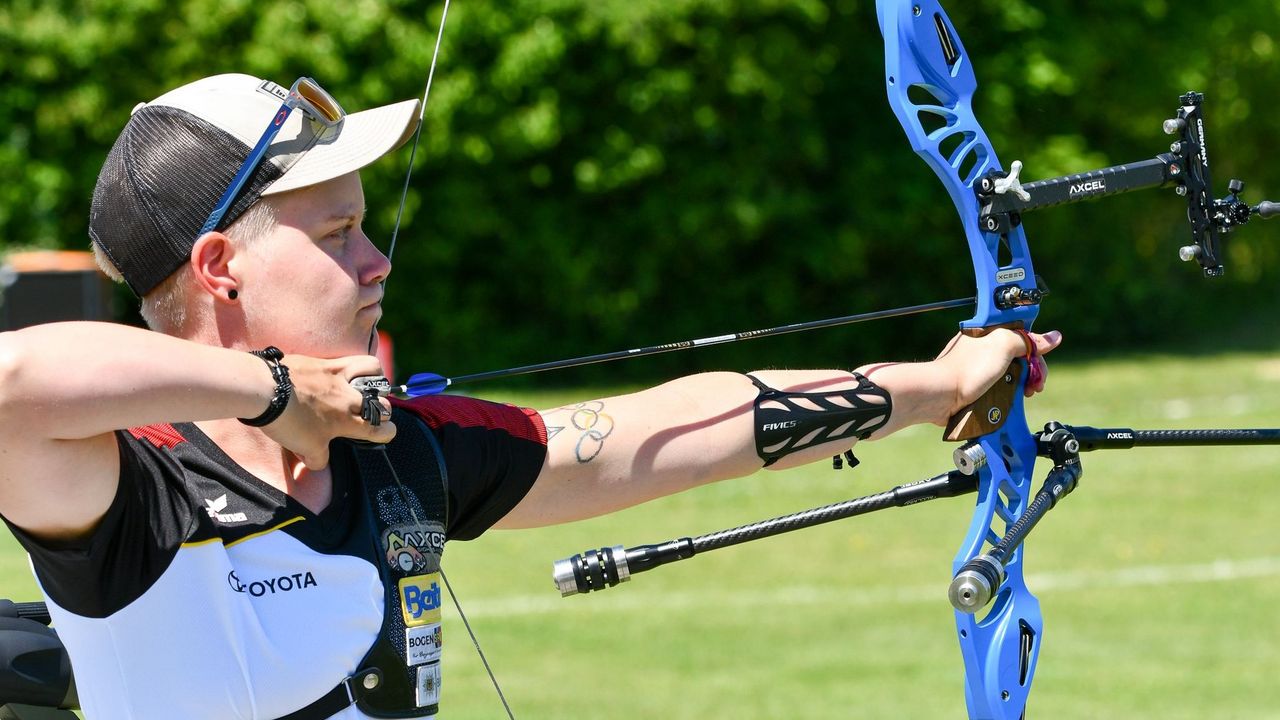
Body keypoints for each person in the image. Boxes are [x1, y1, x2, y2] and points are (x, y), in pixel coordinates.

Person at [0, 74, 1060, 720]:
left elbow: (654, 431)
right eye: (336, 238)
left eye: (366, 229)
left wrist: (934, 385)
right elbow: (12, 384)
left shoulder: (399, 453)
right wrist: (276, 393)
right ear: (222, 266)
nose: (375, 265)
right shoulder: (129, 491)